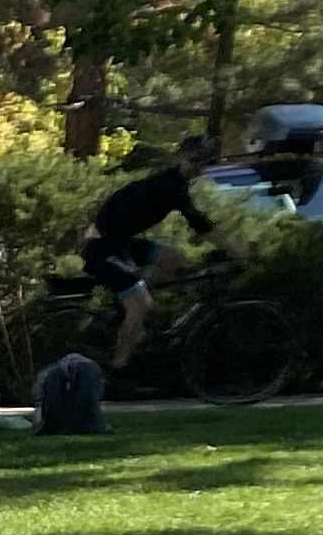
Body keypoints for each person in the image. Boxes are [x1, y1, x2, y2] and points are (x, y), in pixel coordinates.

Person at [80, 133, 222, 369]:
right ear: (180, 156)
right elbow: (200, 224)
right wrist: (234, 249)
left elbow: (200, 226)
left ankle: (131, 317)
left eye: (205, 162)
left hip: (120, 243)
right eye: (195, 160)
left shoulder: (172, 180)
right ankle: (119, 369)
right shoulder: (169, 184)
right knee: (141, 304)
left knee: (173, 258)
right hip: (102, 250)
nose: (199, 167)